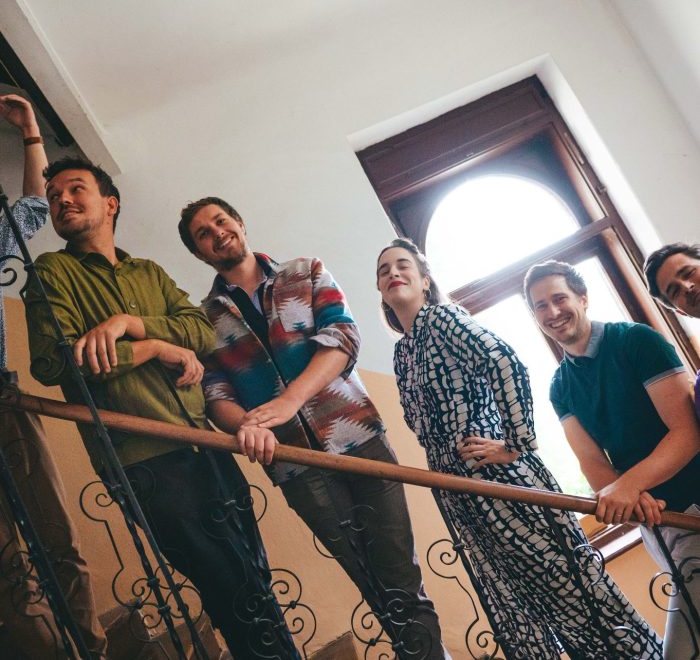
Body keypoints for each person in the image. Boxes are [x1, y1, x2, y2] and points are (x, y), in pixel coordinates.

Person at [23, 159, 300, 659]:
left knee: (254, 578)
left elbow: (201, 330)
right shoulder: (52, 272)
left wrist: (132, 324)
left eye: (76, 189)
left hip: (206, 445)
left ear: (110, 203)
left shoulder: (148, 272)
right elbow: (56, 361)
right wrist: (154, 348)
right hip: (143, 461)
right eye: (54, 194)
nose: (61, 199)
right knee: (230, 588)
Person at [178, 198, 449, 660]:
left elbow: (342, 338)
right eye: (203, 233)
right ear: (199, 252)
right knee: (371, 583)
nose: (217, 232)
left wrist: (288, 402)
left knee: (402, 577)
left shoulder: (305, 272)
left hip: (361, 441)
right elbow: (216, 393)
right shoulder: (205, 320)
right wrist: (249, 427)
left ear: (239, 222)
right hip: (295, 466)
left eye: (221, 220)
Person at [378, 239, 662, 660]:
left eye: (403, 265)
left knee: (574, 598)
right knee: (521, 610)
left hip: (499, 481)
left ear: (424, 280)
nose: (393, 273)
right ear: (380, 291)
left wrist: (516, 443)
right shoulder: (404, 351)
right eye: (384, 270)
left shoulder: (441, 319)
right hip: (462, 496)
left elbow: (503, 361)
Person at [524, 259, 700, 659]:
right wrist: (627, 497)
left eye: (559, 298)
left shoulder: (636, 340)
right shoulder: (559, 387)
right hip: (656, 527)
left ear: (583, 299)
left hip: (693, 510)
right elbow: (592, 464)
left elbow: (688, 434)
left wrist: (628, 486)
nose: (553, 312)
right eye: (540, 306)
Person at [0, 95, 107, 658]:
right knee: (8, 567)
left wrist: (31, 131)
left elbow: (31, 212)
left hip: (3, 403)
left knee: (57, 539)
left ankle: (89, 648)